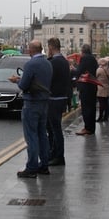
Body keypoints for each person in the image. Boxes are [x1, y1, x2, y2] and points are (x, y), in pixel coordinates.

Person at [8, 40, 52, 178]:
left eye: (29, 48)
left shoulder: (31, 64)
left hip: (32, 102)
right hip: (44, 102)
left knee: (31, 135)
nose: (27, 50)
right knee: (42, 134)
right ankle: (44, 165)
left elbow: (23, 85)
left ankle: (32, 168)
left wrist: (17, 80)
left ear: (32, 50)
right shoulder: (48, 63)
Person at [46, 37, 71, 166]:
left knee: (55, 129)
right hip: (62, 98)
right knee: (54, 128)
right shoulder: (64, 62)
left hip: (53, 99)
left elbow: (47, 81)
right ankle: (54, 153)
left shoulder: (53, 63)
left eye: (47, 47)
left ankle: (59, 156)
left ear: (50, 47)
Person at [71, 44, 99, 136]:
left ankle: (87, 128)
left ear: (83, 51)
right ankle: (91, 128)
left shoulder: (84, 58)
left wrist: (73, 69)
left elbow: (79, 71)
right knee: (92, 107)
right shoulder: (93, 59)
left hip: (86, 86)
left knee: (86, 108)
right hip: (92, 85)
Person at [95, 58, 109, 122]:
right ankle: (106, 117)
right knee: (106, 103)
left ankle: (100, 117)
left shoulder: (99, 69)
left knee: (101, 103)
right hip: (107, 87)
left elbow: (95, 76)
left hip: (100, 87)